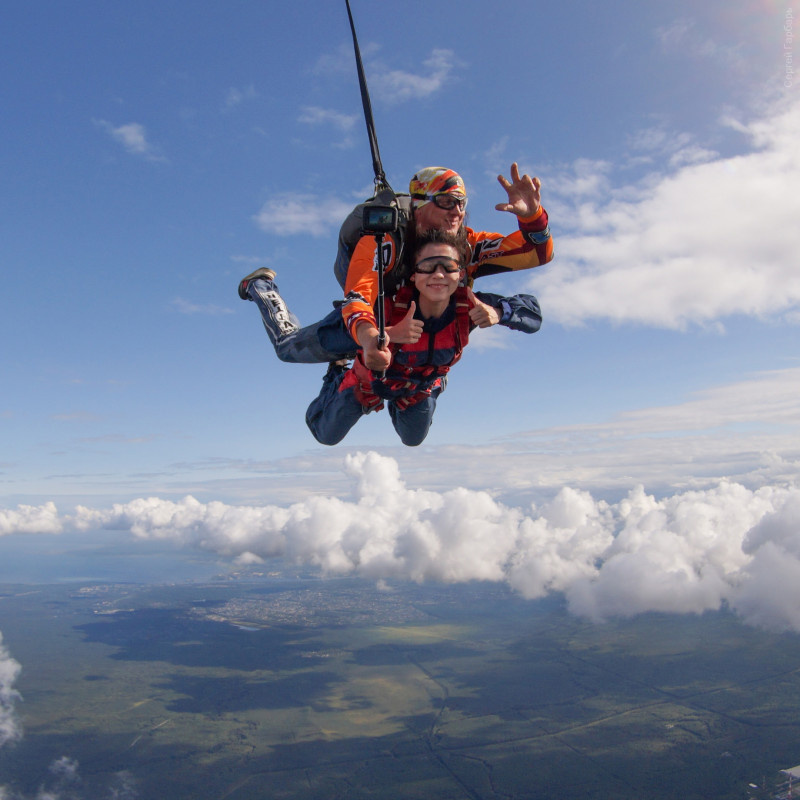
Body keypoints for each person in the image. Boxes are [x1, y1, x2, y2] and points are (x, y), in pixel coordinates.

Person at [238, 163, 552, 367]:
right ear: (420, 204)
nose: (457, 211)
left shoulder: (467, 245)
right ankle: (261, 286)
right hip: (374, 324)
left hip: (415, 338)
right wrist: (368, 337)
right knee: (288, 347)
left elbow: (534, 254)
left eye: (461, 202)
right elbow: (358, 295)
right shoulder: (386, 241)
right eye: (446, 201)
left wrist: (532, 218)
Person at [305, 230, 542, 446]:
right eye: (428, 266)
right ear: (414, 275)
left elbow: (533, 315)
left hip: (418, 387)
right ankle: (337, 373)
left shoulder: (469, 305)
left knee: (412, 439)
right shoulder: (388, 306)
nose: (438, 274)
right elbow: (340, 327)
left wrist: (499, 312)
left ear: (460, 274)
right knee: (326, 435)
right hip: (369, 382)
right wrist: (383, 335)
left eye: (448, 267)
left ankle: (433, 385)